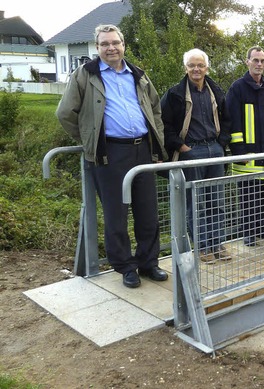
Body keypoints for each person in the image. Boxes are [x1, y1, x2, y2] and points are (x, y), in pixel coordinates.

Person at [56, 24, 168, 288]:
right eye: (105, 44)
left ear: (124, 44)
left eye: (115, 43)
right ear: (97, 47)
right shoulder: (85, 74)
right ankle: (125, 267)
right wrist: (89, 140)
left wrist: (157, 144)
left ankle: (148, 262)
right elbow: (64, 113)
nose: (111, 48)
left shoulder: (138, 74)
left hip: (142, 150)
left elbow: (155, 110)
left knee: (148, 211)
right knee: (116, 214)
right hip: (110, 153)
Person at [161, 48, 232, 261]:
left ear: (206, 68)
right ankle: (202, 247)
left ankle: (217, 243)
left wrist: (222, 143)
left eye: (200, 65)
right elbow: (164, 124)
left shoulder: (216, 91)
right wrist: (183, 148)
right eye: (192, 65)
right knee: (196, 202)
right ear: (186, 68)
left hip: (215, 149)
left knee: (217, 201)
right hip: (192, 151)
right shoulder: (174, 94)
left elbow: (227, 119)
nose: (196, 69)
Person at [226, 46, 264, 247]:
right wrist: (239, 150)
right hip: (247, 155)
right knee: (247, 196)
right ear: (247, 62)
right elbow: (231, 121)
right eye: (255, 60)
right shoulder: (237, 88)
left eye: (262, 61)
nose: (259, 64)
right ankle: (249, 232)